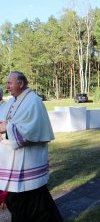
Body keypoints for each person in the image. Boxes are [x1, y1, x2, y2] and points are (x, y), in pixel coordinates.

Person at [0, 71, 63, 222]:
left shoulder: (33, 101)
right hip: (12, 158)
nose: (7, 86)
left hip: (27, 159)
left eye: (10, 83)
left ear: (20, 83)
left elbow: (32, 130)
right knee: (28, 198)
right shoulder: (11, 101)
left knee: (25, 197)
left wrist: (6, 128)